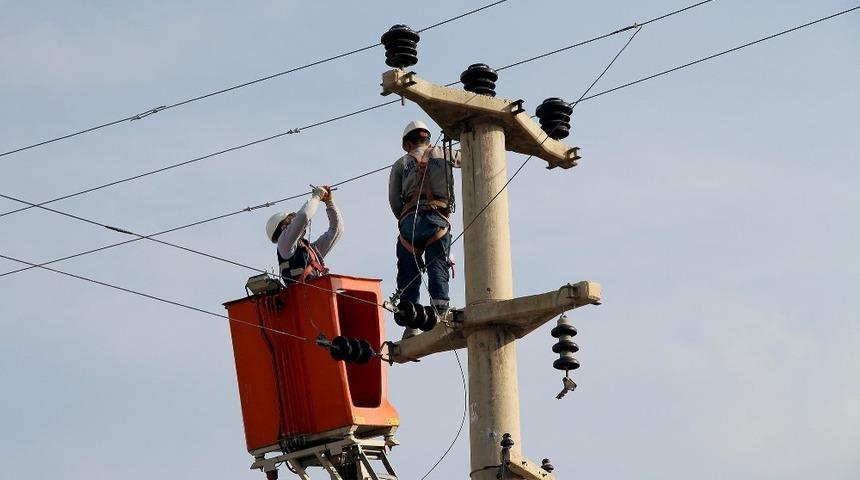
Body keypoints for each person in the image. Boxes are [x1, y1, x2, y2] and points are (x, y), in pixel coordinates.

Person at [388, 120, 460, 337]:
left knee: (408, 271)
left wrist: (405, 220)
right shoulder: (444, 152)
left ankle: (411, 325)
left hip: (409, 224)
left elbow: (394, 199)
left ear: (407, 144)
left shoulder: (401, 163)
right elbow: (471, 154)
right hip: (436, 221)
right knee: (438, 266)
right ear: (427, 138)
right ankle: (440, 315)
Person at [265, 185, 342, 285]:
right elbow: (304, 216)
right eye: (291, 218)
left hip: (317, 294)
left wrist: (330, 203)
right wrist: (316, 197)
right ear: (283, 226)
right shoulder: (284, 244)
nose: (294, 220)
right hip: (304, 296)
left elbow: (336, 230)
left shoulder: (310, 251)